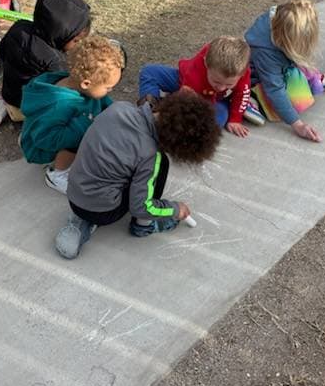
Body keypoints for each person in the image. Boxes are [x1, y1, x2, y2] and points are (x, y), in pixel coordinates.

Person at [55, 90, 221, 259]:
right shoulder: (150, 155)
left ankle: (82, 220)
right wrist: (174, 209)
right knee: (160, 164)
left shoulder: (119, 108)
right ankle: (143, 226)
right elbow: (141, 207)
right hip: (103, 211)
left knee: (126, 166)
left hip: (74, 193)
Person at [19, 35, 125, 194]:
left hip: (49, 132)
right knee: (81, 142)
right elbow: (46, 139)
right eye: (108, 88)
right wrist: (86, 128)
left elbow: (103, 103)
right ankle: (57, 175)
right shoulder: (59, 105)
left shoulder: (82, 87)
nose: (110, 91)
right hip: (42, 145)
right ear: (86, 83)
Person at [0, 0, 91, 131]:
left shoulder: (18, 27)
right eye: (76, 41)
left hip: (8, 92)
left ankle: (3, 103)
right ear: (60, 33)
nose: (78, 45)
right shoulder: (55, 60)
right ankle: (30, 129)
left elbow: (2, 52)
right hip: (26, 109)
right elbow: (64, 88)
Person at [244, 0, 325, 143]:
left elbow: (299, 51)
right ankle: (251, 99)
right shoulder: (264, 51)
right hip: (260, 77)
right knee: (298, 102)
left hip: (282, 65)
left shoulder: (285, 17)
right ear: (284, 38)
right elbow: (275, 88)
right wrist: (297, 124)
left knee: (302, 74)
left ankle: (311, 76)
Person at [138, 36, 262, 138]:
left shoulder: (242, 73)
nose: (221, 87)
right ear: (206, 63)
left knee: (218, 119)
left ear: (242, 74)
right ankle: (149, 106)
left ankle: (188, 130)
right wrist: (173, 108)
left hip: (216, 100)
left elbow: (243, 94)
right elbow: (186, 98)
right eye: (216, 81)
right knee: (149, 72)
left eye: (229, 84)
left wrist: (235, 119)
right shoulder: (198, 67)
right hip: (186, 85)